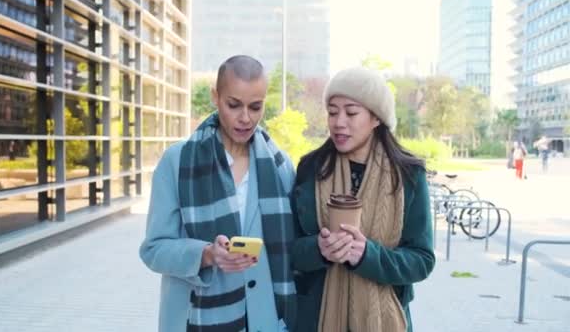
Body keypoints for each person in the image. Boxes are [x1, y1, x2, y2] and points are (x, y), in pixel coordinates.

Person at [140, 55, 296, 331]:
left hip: (265, 322)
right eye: (233, 105)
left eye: (255, 107)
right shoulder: (176, 162)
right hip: (196, 319)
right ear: (216, 97)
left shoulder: (280, 165)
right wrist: (206, 255)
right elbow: (153, 250)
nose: (245, 118)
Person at [291, 67, 435, 332]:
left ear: (376, 118)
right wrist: (319, 249)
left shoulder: (408, 174)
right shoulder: (311, 169)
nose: (338, 122)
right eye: (332, 112)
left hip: (385, 318)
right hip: (317, 318)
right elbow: (290, 251)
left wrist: (369, 256)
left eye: (351, 112)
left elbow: (422, 260)